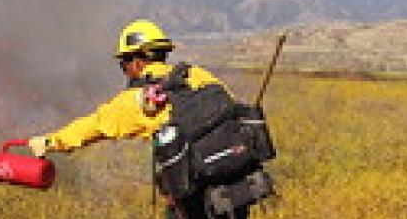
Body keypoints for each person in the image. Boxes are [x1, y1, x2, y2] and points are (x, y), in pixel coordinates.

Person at [25, 19, 250, 219]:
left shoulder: (140, 98)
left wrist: (49, 142)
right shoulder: (196, 75)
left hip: (193, 201)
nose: (125, 70)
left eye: (124, 63)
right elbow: (229, 105)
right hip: (235, 187)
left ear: (138, 61)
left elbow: (95, 126)